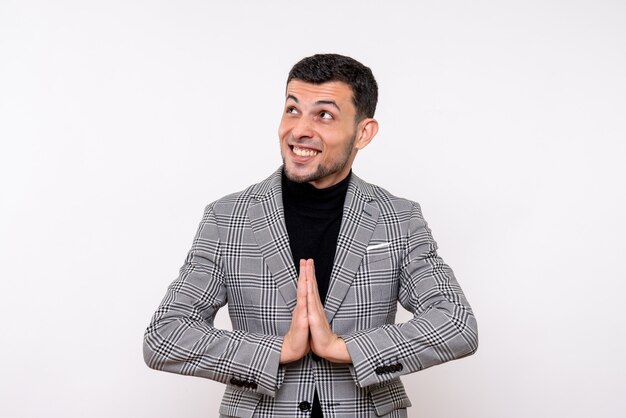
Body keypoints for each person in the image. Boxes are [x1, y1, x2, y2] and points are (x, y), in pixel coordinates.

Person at [143, 53, 478, 418]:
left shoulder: (399, 217)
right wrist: (277, 351)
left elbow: (456, 323)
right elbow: (165, 335)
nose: (300, 129)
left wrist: (343, 347)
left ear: (363, 132)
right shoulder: (227, 218)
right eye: (292, 109)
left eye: (324, 115)